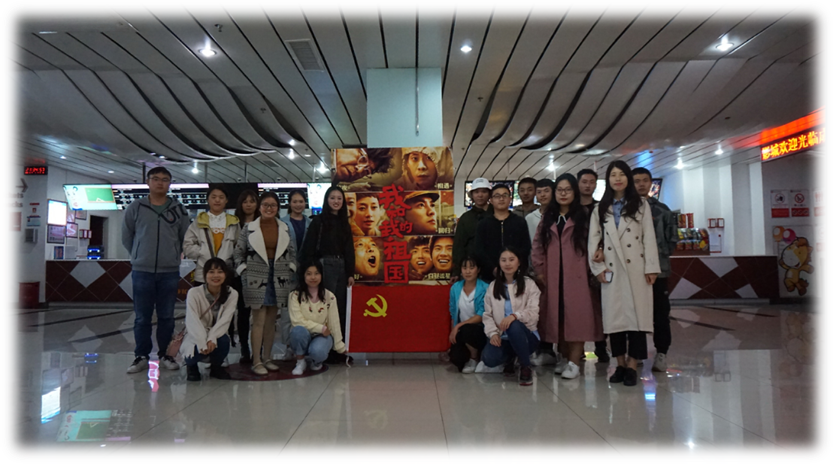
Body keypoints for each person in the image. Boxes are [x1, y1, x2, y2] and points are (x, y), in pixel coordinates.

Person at [588, 160, 660, 387]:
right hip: (611, 269)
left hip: (636, 269)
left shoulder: (641, 205)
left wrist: (651, 267)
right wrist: (598, 269)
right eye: (613, 175)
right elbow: (593, 240)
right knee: (615, 320)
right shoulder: (600, 208)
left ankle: (632, 366)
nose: (617, 179)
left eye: (621, 174)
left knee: (637, 320)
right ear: (608, 180)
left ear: (628, 178)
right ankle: (619, 364)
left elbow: (649, 237)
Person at [533, 174, 604, 379]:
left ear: (575, 192)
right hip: (553, 277)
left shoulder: (585, 216)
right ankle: (564, 357)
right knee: (559, 319)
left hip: (578, 277)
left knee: (577, 319)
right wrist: (539, 270)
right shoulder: (549, 217)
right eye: (560, 190)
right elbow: (537, 245)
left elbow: (597, 241)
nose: (563, 194)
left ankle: (574, 362)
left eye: (568, 190)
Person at [122, 166, 190, 374]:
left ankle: (166, 354)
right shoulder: (136, 207)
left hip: (169, 271)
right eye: (156, 179)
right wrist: (139, 254)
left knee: (166, 316)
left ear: (170, 183)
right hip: (142, 270)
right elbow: (127, 236)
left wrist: (173, 255)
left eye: (165, 179)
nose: (160, 182)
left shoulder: (178, 209)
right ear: (148, 182)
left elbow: (185, 236)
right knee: (142, 316)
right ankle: (141, 356)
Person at [233, 192, 296, 375]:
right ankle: (256, 360)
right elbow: (238, 253)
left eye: (273, 205)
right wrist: (244, 271)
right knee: (258, 320)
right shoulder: (249, 228)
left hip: (278, 275)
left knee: (271, 321)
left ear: (278, 208)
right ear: (260, 207)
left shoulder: (284, 227)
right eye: (265, 205)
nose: (269, 208)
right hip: (255, 276)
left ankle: (267, 358)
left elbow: (292, 252)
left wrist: (290, 269)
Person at [300, 186, 355, 364]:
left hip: (341, 267)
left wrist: (350, 272)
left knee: (340, 309)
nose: (336, 201)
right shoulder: (318, 221)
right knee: (326, 309)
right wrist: (311, 271)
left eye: (339, 198)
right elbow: (308, 248)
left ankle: (339, 348)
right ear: (326, 200)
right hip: (324, 267)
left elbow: (349, 250)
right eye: (332, 198)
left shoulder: (344, 223)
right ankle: (325, 349)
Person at [632, 167, 678, 373]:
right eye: (637, 181)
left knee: (660, 313)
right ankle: (637, 352)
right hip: (634, 272)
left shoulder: (663, 210)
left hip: (659, 272)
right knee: (635, 314)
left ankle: (661, 353)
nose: (641, 184)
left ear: (651, 183)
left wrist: (656, 258)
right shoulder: (626, 210)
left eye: (645, 180)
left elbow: (672, 240)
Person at [481, 247, 541, 386]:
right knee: (489, 359)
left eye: (511, 259)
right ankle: (512, 357)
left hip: (527, 335)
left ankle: (525, 366)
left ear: (518, 262)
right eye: (503, 260)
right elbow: (487, 315)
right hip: (502, 336)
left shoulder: (529, 284)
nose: (507, 263)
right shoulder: (493, 286)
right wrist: (493, 333)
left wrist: (515, 316)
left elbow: (533, 313)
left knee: (514, 325)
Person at [182, 258, 237, 381]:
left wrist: (212, 338)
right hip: (196, 333)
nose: (215, 275)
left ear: (225, 275)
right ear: (205, 274)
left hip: (216, 334)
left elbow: (225, 321)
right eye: (211, 272)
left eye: (220, 272)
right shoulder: (194, 293)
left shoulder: (232, 294)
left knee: (223, 341)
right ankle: (191, 366)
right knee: (193, 350)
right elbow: (192, 321)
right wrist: (202, 342)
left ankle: (216, 367)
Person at [289, 260, 346, 375]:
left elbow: (334, 322)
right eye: (309, 274)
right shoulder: (294, 296)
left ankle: (316, 362)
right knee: (298, 331)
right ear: (303, 275)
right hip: (306, 333)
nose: (313, 277)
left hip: (321, 336)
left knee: (318, 351)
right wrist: (321, 328)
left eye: (316, 273)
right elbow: (297, 321)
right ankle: (300, 362)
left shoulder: (329, 296)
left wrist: (340, 346)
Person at [577, 168, 609, 363]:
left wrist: (602, 248)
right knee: (578, 307)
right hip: (576, 263)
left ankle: (601, 346)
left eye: (592, 182)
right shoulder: (572, 209)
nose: (588, 185)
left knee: (600, 306)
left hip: (597, 262)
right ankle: (577, 347)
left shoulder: (602, 208)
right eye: (584, 182)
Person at [184, 186, 241, 286]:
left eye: (221, 197)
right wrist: (202, 252)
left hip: (226, 274)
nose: (217, 200)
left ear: (226, 200)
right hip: (203, 274)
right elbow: (187, 246)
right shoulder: (199, 221)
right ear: (208, 200)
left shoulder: (233, 222)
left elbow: (239, 247)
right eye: (213, 197)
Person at [475, 184, 531, 282]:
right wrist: (493, 268)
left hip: (516, 275)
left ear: (510, 199)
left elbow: (525, 247)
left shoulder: (519, 222)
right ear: (491, 200)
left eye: (505, 195)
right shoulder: (483, 224)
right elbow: (479, 250)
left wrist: (514, 266)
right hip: (489, 276)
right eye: (497, 196)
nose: (501, 199)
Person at [279, 189, 312, 361]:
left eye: (301, 201)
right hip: (286, 273)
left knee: (306, 311)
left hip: (306, 274)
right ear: (289, 203)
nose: (298, 205)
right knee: (286, 313)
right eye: (295, 201)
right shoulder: (281, 223)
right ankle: (288, 346)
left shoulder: (310, 223)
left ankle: (303, 347)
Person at [448, 255, 489, 373]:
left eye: (471, 268)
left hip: (480, 330)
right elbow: (453, 312)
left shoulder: (485, 288)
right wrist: (453, 332)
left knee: (467, 329)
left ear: (478, 269)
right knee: (456, 360)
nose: (467, 271)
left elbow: (482, 315)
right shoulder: (456, 288)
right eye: (464, 268)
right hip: (462, 330)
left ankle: (474, 358)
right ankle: (470, 355)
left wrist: (459, 326)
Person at [232, 190, 260, 364]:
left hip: (260, 274)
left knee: (259, 313)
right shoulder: (234, 224)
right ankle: (244, 347)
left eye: (252, 201)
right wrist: (241, 269)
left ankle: (259, 349)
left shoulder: (263, 223)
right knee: (243, 312)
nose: (249, 204)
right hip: (240, 274)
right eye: (245, 201)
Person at [451, 178, 492, 282]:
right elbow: (459, 245)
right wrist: (456, 270)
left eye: (484, 191)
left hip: (494, 268)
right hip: (471, 267)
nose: (480, 195)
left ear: (489, 194)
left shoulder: (497, 214)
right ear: (472, 195)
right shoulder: (466, 218)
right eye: (476, 192)